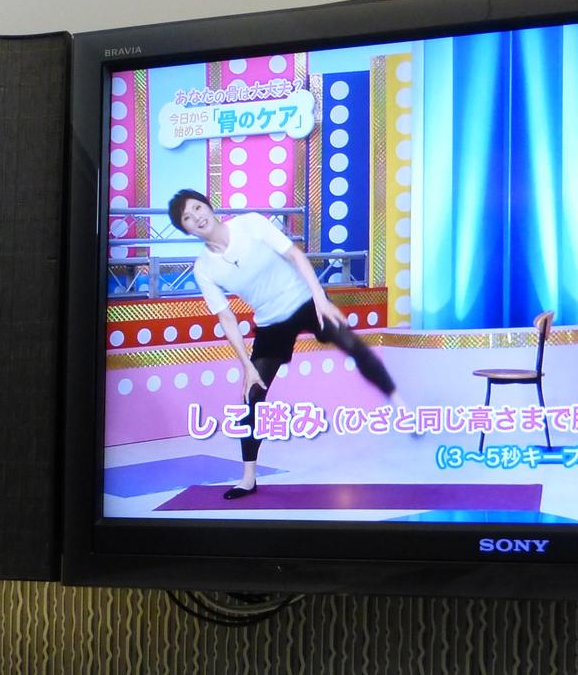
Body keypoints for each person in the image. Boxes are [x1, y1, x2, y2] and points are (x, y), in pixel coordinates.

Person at [168, 189, 404, 499]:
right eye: (187, 217)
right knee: (252, 396)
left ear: (209, 206)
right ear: (185, 228)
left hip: (306, 300)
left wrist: (321, 298)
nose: (197, 217)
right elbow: (226, 318)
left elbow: (293, 254)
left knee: (351, 343)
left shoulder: (250, 224)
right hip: (271, 321)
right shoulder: (204, 268)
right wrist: (247, 366)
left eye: (198, 207)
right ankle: (248, 477)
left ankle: (399, 404)